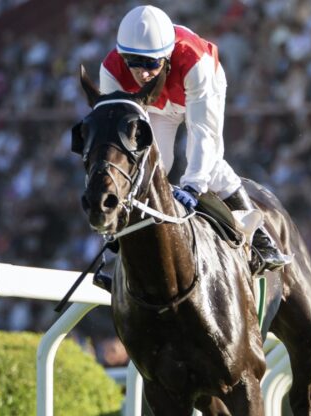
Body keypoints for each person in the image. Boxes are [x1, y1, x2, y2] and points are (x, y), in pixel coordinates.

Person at [98, 5, 291, 272]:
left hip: (200, 93)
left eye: (151, 63)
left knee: (208, 169)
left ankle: (260, 239)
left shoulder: (194, 61)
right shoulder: (111, 71)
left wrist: (192, 186)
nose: (142, 73)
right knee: (147, 164)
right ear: (122, 56)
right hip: (156, 106)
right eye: (133, 62)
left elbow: (204, 132)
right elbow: (120, 138)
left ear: (166, 57)